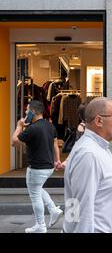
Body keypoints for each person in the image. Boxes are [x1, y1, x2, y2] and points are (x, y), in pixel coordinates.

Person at [63, 97, 112, 233]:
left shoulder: (99, 148)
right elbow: (81, 208)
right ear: (99, 121)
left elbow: (103, 195)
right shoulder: (89, 154)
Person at [11, 100, 63, 233]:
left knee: (35, 194)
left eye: (27, 111)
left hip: (36, 169)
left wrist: (19, 126)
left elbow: (14, 142)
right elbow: (55, 145)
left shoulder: (32, 129)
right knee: (38, 189)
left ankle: (40, 225)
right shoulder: (50, 126)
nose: (25, 113)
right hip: (49, 167)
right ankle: (53, 209)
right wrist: (57, 161)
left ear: (33, 112)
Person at [59, 103, 87, 170]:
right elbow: (78, 145)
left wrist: (67, 161)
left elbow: (77, 145)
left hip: (84, 157)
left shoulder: (84, 126)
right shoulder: (86, 126)